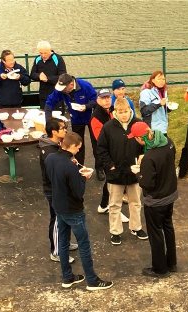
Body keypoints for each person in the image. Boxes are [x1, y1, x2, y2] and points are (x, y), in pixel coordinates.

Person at [45, 131, 113, 291]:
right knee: (83, 244)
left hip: (58, 206)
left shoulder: (51, 158)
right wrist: (83, 178)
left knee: (63, 241)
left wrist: (73, 165)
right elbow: (78, 192)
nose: (78, 151)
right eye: (78, 148)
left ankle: (67, 277)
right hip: (73, 210)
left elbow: (51, 177)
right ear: (73, 146)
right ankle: (92, 280)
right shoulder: (70, 167)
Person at [128, 122, 178, 278]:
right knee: (168, 227)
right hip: (170, 194)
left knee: (155, 233)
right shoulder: (167, 141)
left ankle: (160, 268)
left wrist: (138, 172)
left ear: (139, 138)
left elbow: (146, 183)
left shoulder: (150, 157)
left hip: (155, 200)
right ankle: (171, 263)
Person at [97, 98, 148, 245]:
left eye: (126, 111)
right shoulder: (108, 127)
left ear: (130, 110)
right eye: (120, 112)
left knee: (136, 202)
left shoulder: (139, 124)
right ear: (115, 112)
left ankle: (136, 227)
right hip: (115, 173)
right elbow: (101, 149)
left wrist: (142, 157)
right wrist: (110, 165)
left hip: (134, 172)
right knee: (114, 204)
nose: (124, 115)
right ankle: (115, 231)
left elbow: (146, 143)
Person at [39, 118, 80, 262]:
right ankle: (56, 251)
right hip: (54, 190)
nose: (65, 130)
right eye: (62, 128)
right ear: (54, 132)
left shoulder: (56, 145)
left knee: (64, 218)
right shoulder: (49, 151)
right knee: (57, 219)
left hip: (59, 188)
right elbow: (54, 172)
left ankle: (65, 243)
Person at [89, 89, 129, 223]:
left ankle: (103, 205)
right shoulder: (96, 117)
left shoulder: (112, 110)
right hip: (106, 155)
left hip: (115, 153)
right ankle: (113, 209)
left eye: (108, 97)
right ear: (98, 100)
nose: (106, 100)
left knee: (111, 181)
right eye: (103, 98)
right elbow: (101, 139)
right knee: (114, 182)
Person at [45, 73, 97, 165]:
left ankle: (99, 167)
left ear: (71, 84)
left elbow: (96, 100)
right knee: (77, 143)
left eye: (65, 89)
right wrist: (48, 121)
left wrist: (86, 106)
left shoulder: (85, 86)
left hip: (91, 117)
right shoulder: (61, 90)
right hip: (76, 118)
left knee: (96, 143)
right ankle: (80, 166)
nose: (63, 91)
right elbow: (50, 102)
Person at [30, 41, 67, 109]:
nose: (43, 55)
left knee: (56, 116)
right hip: (43, 94)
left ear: (50, 50)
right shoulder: (37, 59)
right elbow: (32, 75)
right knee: (43, 115)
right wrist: (39, 76)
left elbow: (63, 76)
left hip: (56, 93)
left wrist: (48, 79)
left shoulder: (58, 59)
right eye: (41, 53)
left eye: (45, 53)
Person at [139, 71, 170, 135]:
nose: (162, 81)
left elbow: (162, 110)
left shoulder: (164, 91)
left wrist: (169, 108)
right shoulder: (146, 92)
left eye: (163, 79)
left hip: (163, 128)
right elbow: (144, 111)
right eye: (159, 79)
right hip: (152, 130)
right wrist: (159, 104)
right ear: (153, 80)